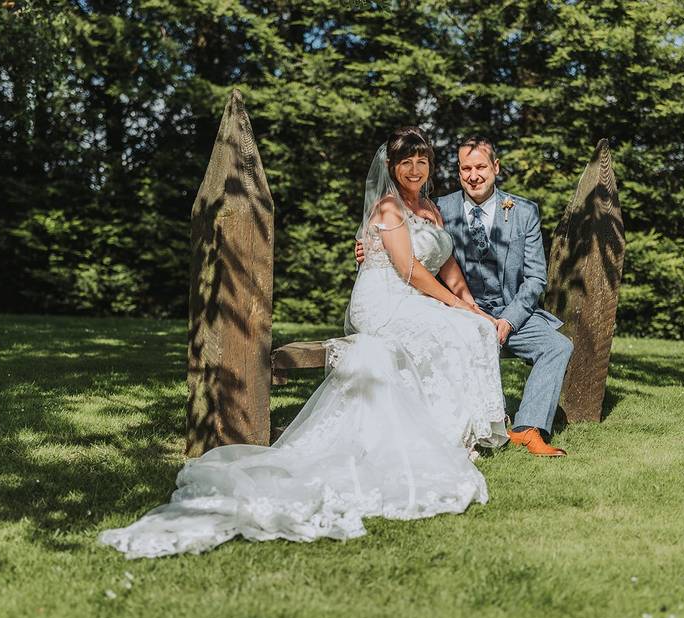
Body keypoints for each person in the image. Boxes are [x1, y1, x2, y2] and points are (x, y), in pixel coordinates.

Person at [99, 127, 509, 558]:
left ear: (430, 165)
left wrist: (473, 307)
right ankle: (447, 436)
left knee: (472, 327)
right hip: (386, 298)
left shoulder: (431, 209)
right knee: (451, 327)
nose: (414, 168)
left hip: (414, 295)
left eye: (421, 160)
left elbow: (448, 267)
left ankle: (458, 431)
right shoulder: (388, 207)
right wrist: (455, 309)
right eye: (405, 161)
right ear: (391, 167)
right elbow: (409, 269)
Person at [356, 135, 572, 456]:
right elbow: (398, 238)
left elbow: (536, 278)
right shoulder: (439, 206)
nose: (474, 175)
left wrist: (509, 321)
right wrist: (367, 248)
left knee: (558, 344)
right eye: (466, 168)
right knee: (464, 336)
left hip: (510, 312)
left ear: (495, 167)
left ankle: (528, 428)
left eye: (481, 167)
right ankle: (471, 426)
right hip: (453, 306)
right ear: (458, 172)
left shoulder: (524, 212)